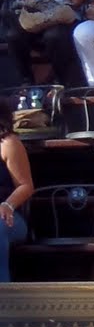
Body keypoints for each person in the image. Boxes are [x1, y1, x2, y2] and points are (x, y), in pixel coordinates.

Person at [0, 99, 34, 283]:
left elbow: (25, 185)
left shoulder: (7, 143)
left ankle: (3, 294)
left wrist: (8, 204)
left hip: (7, 217)